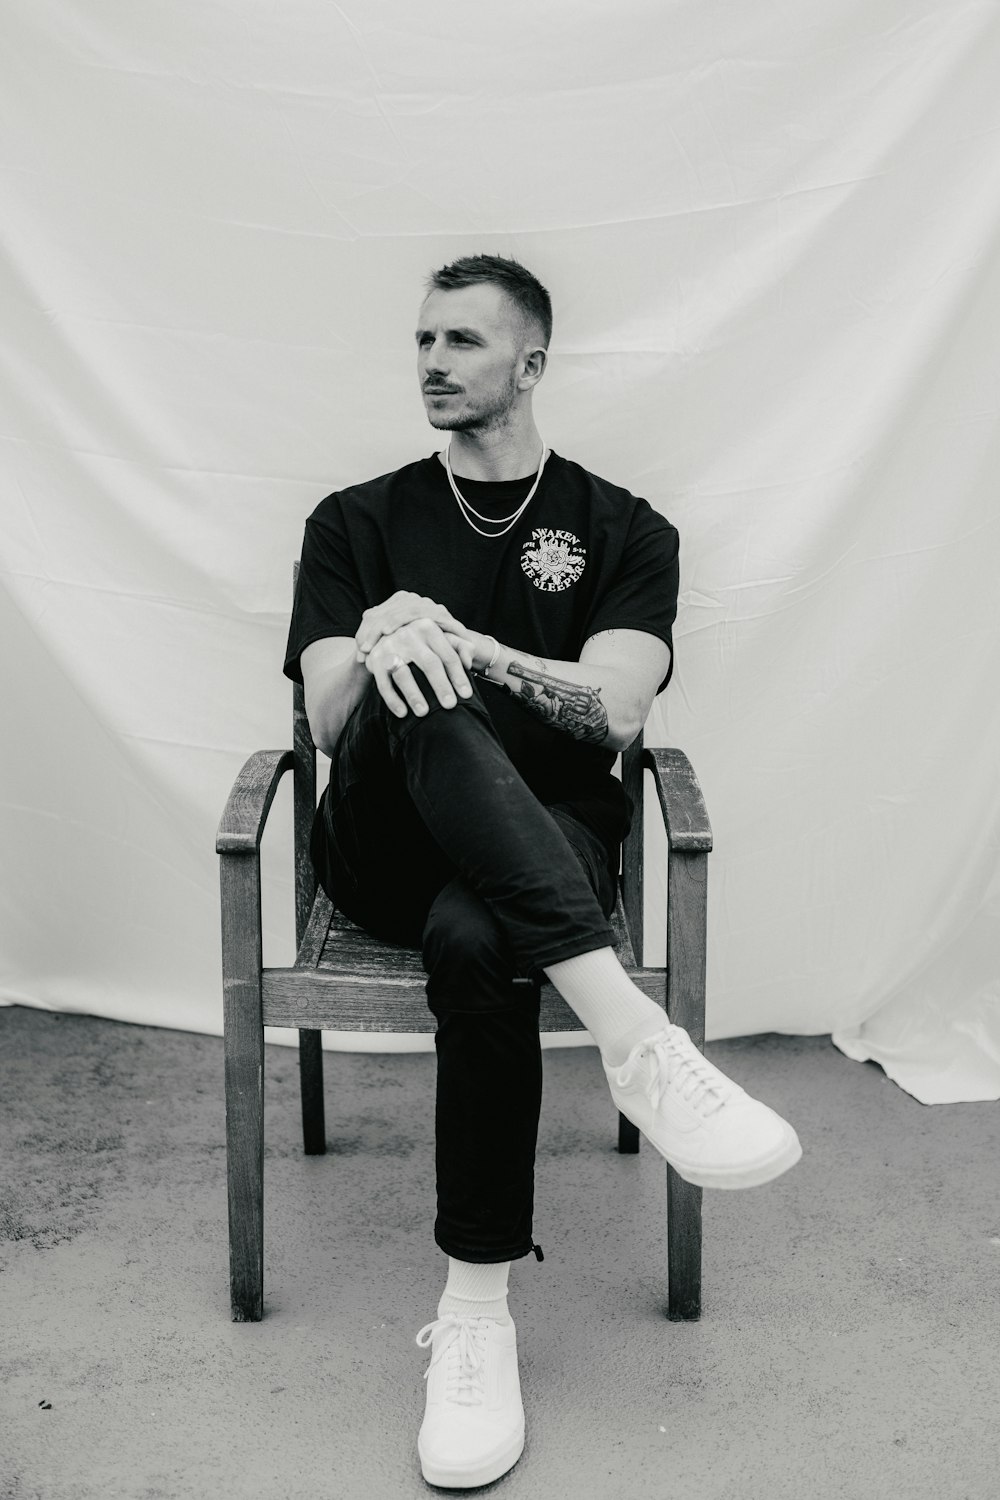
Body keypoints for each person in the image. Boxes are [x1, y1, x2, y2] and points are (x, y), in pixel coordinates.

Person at [282, 253, 801, 1489]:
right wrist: (387, 630)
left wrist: (480, 647)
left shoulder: (624, 529)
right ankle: (636, 1037)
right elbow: (324, 714)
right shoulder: (354, 520)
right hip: (383, 846)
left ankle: (475, 1314)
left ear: (531, 362)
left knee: (483, 935)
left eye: (460, 341)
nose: (430, 363)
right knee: (407, 672)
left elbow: (616, 714)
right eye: (419, 341)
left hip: (546, 843)